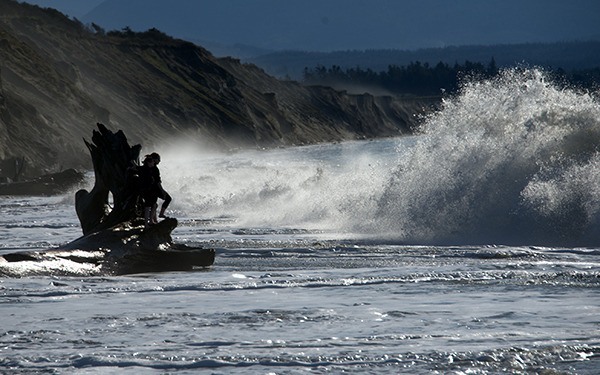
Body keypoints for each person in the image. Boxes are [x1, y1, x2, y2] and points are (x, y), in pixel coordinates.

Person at [138, 152, 172, 227]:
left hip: (148, 189)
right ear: (154, 159)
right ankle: (157, 217)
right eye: (158, 159)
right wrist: (162, 190)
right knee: (167, 199)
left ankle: (154, 220)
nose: (159, 161)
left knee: (154, 204)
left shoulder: (147, 167)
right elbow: (157, 181)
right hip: (154, 189)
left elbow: (137, 168)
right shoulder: (153, 168)